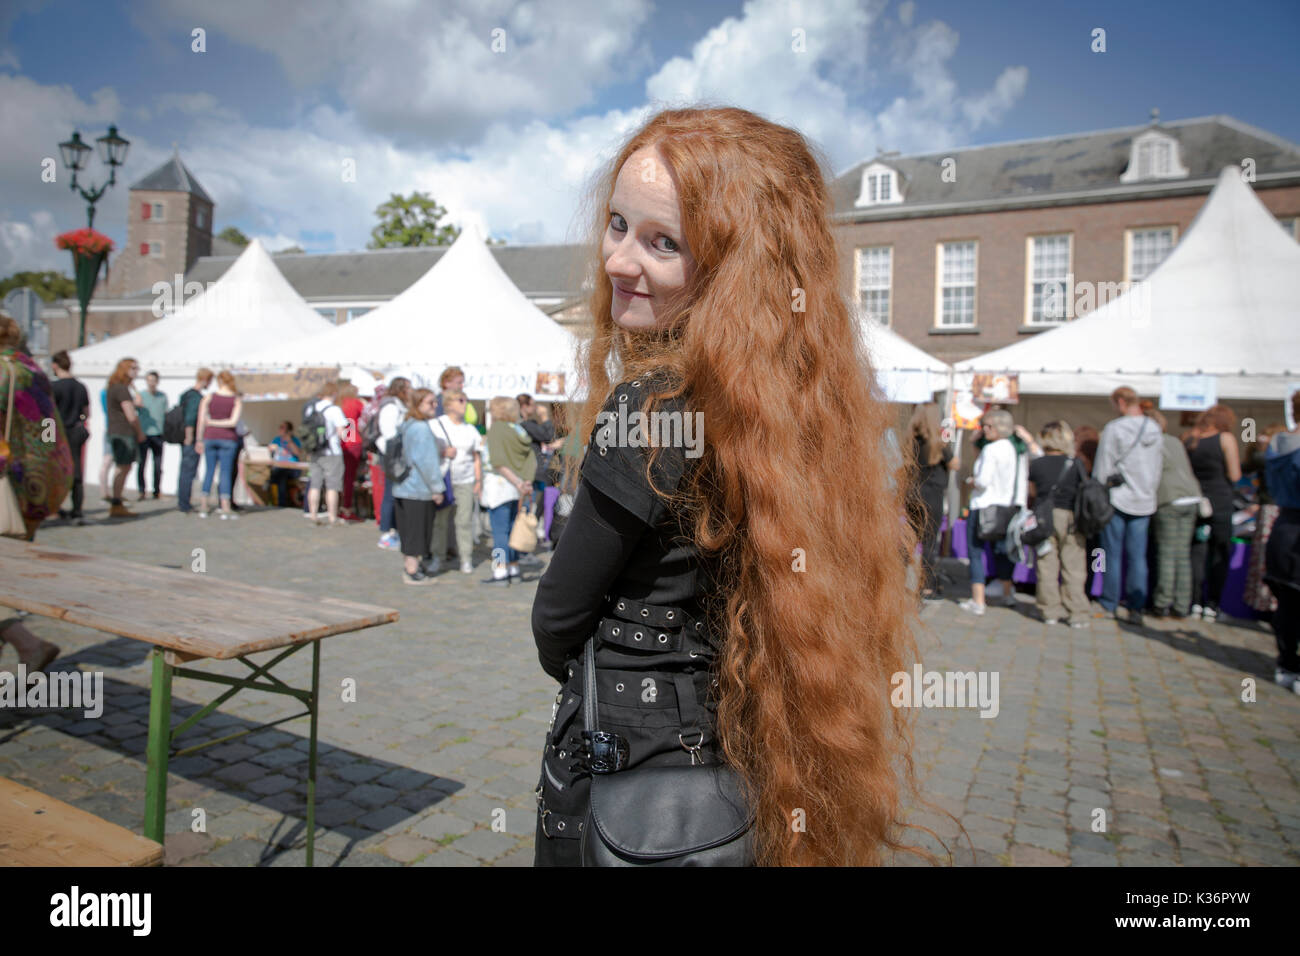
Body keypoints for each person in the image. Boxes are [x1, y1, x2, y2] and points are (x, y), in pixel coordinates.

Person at [530, 107, 920, 866]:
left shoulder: (649, 410)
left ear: (732, 271)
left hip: (630, 779)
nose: (618, 261)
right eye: (618, 225)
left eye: (662, 243)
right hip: (750, 764)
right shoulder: (804, 415)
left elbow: (556, 619)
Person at [0, 316, 72, 670]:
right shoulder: (35, 371)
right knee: (6, 578)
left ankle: (27, 644)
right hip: (35, 486)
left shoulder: (2, 373)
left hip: (4, 484)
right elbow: (48, 432)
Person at [1092, 386, 1163, 625]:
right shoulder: (1154, 428)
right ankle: (1136, 607)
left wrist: (1099, 490)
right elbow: (1157, 467)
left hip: (1118, 497)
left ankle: (1109, 602)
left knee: (1109, 554)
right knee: (1138, 556)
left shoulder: (1115, 429)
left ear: (1120, 402)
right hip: (1144, 498)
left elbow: (1103, 467)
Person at [959, 409, 1025, 616]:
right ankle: (1007, 593)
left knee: (975, 552)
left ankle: (978, 600)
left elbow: (983, 481)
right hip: (1005, 505)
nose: (984, 430)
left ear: (996, 428)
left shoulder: (991, 449)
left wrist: (971, 481)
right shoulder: (1012, 449)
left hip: (984, 506)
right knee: (1002, 552)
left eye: (987, 426)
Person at [1028, 421, 1089, 626]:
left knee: (1047, 565)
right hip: (1071, 517)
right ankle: (1077, 613)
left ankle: (1049, 611)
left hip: (1045, 516)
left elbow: (1032, 493)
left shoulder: (1037, 464)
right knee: (1073, 566)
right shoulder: (1075, 463)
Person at [1184, 404, 1242, 621]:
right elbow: (1235, 475)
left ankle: (1194, 602)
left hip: (1197, 501)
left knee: (1196, 553)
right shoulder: (1225, 439)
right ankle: (1212, 604)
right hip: (1220, 502)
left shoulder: (1189, 438)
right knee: (1219, 553)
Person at [1147, 405, 1202, 618]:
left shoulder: (1153, 443)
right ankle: (1181, 604)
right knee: (1182, 555)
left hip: (1170, 499)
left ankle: (1162, 602)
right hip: (1191, 498)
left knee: (1167, 554)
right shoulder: (1175, 441)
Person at [392, 388, 447, 584]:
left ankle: (411, 566)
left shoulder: (407, 424)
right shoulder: (421, 428)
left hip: (403, 486)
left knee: (408, 530)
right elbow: (427, 462)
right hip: (417, 487)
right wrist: (437, 488)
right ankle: (412, 570)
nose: (435, 406)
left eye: (434, 402)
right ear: (418, 405)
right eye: (430, 402)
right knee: (417, 531)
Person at [1264, 392, 1300, 692]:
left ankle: (1286, 663)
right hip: (1295, 528)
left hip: (1283, 527)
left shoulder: (1276, 444)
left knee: (1287, 603)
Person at [482, 396, 536, 583]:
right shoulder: (519, 430)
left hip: (500, 486)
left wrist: (516, 482)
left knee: (499, 532)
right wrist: (525, 482)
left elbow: (498, 462)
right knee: (513, 529)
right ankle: (513, 567)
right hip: (517, 488)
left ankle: (500, 570)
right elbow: (530, 460)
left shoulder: (497, 429)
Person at [907, 403, 957, 599]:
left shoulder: (910, 440)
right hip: (932, 495)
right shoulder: (938, 444)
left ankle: (897, 580)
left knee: (908, 540)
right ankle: (927, 586)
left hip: (912, 493)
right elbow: (955, 464)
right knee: (928, 542)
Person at [433, 389, 483, 574]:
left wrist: (478, 481)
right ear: (449, 404)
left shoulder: (470, 429)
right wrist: (443, 452)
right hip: (443, 479)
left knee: (464, 521)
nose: (465, 404)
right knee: (440, 521)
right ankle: (437, 557)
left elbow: (476, 457)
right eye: (461, 400)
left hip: (466, 480)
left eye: (466, 400)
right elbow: (427, 452)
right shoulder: (436, 424)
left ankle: (466, 558)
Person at [196, 370, 243, 519]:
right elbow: (233, 422)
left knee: (209, 471)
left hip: (210, 437)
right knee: (225, 472)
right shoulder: (236, 399)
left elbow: (201, 421)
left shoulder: (209, 397)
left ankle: (204, 505)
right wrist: (220, 423)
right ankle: (225, 506)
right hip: (228, 438)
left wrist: (199, 439)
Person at [50, 350, 90, 525]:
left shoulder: (54, 387)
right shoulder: (81, 387)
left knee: (55, 470)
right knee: (76, 471)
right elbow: (87, 413)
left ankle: (54, 507)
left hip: (58, 431)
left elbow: (48, 414)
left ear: (55, 365)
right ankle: (77, 510)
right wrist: (80, 421)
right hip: (75, 430)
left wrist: (46, 439)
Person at [373, 376, 411, 549]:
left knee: (395, 492)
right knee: (390, 493)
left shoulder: (398, 406)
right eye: (408, 388)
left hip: (396, 453)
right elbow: (389, 433)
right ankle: (386, 532)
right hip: (391, 454)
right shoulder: (391, 407)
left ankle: (394, 529)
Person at [304, 381, 349, 525]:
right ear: (334, 393)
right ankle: (332, 517)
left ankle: (312, 514)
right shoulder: (334, 410)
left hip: (314, 451)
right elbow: (342, 433)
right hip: (332, 452)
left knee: (315, 485)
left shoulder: (311, 408)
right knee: (332, 486)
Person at [104, 357, 144, 518]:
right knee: (123, 467)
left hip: (116, 430)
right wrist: (140, 432)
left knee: (122, 467)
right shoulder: (121, 389)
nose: (136, 371)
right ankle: (116, 502)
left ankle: (116, 500)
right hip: (123, 432)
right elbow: (131, 415)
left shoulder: (115, 387)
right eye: (133, 368)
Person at [176, 368, 213, 514]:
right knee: (188, 470)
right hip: (190, 439)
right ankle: (184, 503)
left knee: (186, 469)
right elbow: (190, 419)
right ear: (204, 379)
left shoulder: (186, 394)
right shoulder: (196, 398)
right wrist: (191, 437)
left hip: (185, 437)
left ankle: (183, 500)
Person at [135, 370, 167, 500]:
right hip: (144, 433)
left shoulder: (162, 396)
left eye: (154, 380)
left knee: (158, 465)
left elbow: (165, 414)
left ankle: (156, 490)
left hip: (158, 434)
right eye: (149, 380)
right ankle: (142, 490)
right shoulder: (141, 396)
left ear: (157, 381)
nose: (152, 383)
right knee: (142, 463)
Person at [338, 382, 365, 521]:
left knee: (341, 478)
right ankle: (347, 508)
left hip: (340, 444)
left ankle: (339, 507)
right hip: (353, 442)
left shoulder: (339, 404)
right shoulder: (356, 403)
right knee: (349, 478)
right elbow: (365, 420)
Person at [269, 421, 304, 508]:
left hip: (292, 468)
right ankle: (276, 500)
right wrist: (271, 448)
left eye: (282, 427)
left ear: (289, 430)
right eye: (280, 427)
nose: (280, 429)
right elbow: (269, 450)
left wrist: (289, 441)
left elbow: (298, 453)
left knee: (281, 476)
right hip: (279, 466)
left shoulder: (295, 440)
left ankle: (282, 503)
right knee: (276, 474)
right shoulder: (277, 439)